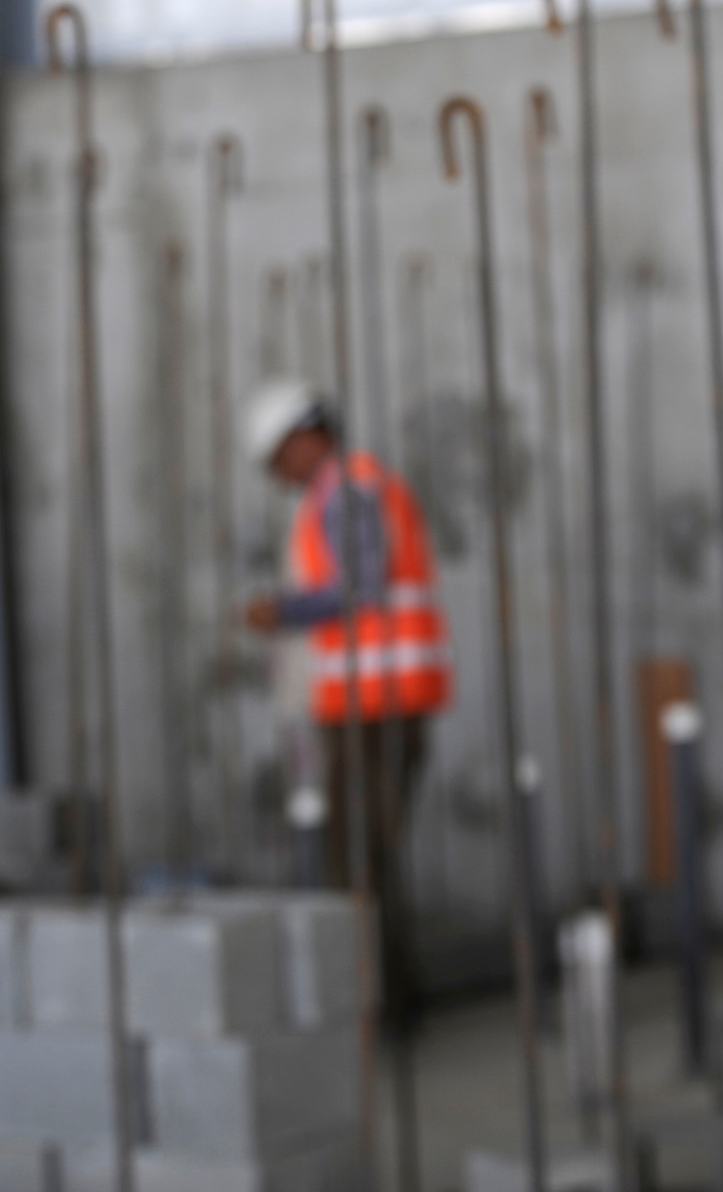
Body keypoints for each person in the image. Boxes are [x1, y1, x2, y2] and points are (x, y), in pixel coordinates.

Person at [240, 379, 451, 1028]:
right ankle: (392, 998)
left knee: (360, 858)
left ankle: (385, 1007)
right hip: (371, 703)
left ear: (306, 437)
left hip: (377, 703)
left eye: (280, 459)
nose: (279, 475)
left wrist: (284, 609)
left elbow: (358, 584)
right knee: (367, 857)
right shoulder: (340, 492)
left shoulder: (349, 490)